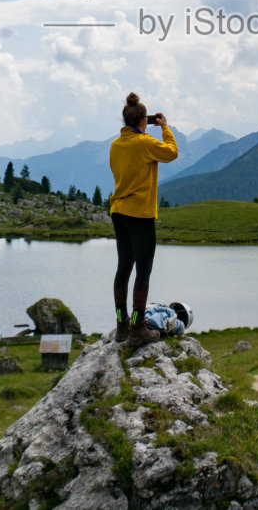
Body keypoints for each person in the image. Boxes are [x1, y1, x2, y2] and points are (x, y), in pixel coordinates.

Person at [109, 92, 178, 346]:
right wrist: (165, 128)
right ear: (143, 121)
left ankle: (122, 324)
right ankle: (138, 328)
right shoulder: (145, 143)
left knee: (123, 268)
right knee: (143, 272)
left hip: (119, 211)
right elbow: (171, 153)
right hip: (140, 214)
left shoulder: (116, 145)